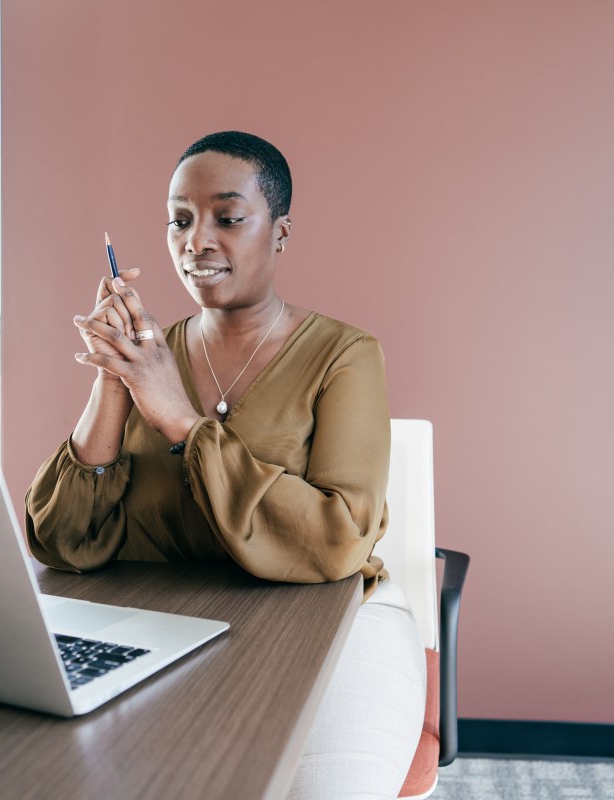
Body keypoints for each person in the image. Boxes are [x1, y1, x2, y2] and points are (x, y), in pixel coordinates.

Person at [25, 131, 425, 799]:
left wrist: (181, 422)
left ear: (281, 232)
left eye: (228, 218)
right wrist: (115, 379)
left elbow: (336, 539)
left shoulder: (345, 354)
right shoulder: (153, 357)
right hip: (173, 619)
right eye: (180, 220)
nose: (197, 240)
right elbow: (65, 542)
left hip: (331, 618)